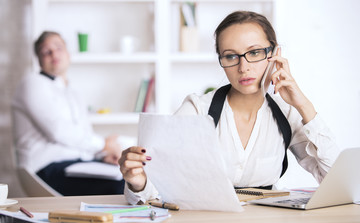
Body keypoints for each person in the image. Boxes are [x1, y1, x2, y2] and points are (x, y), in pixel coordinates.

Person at [119, 11, 340, 205]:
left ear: (275, 54)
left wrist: (304, 105)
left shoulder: (288, 112)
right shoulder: (197, 110)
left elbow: (335, 183)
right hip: (205, 221)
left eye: (254, 53)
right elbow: (153, 192)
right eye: (231, 56)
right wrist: (138, 182)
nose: (243, 67)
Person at [12, 31, 125, 196]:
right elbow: (58, 131)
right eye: (46, 51)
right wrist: (104, 144)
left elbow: (82, 136)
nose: (53, 54)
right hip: (46, 168)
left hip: (78, 163)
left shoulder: (73, 93)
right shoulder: (32, 84)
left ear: (68, 53)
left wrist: (102, 155)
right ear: (39, 59)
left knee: (132, 177)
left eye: (58, 48)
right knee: (121, 186)